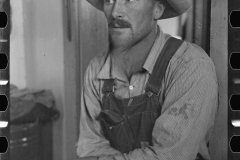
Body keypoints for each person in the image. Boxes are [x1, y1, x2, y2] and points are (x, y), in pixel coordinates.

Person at [76, 0, 218, 159]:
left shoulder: (190, 65)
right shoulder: (97, 69)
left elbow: (168, 156)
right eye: (109, 1)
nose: (115, 12)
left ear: (157, 9)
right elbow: (91, 149)